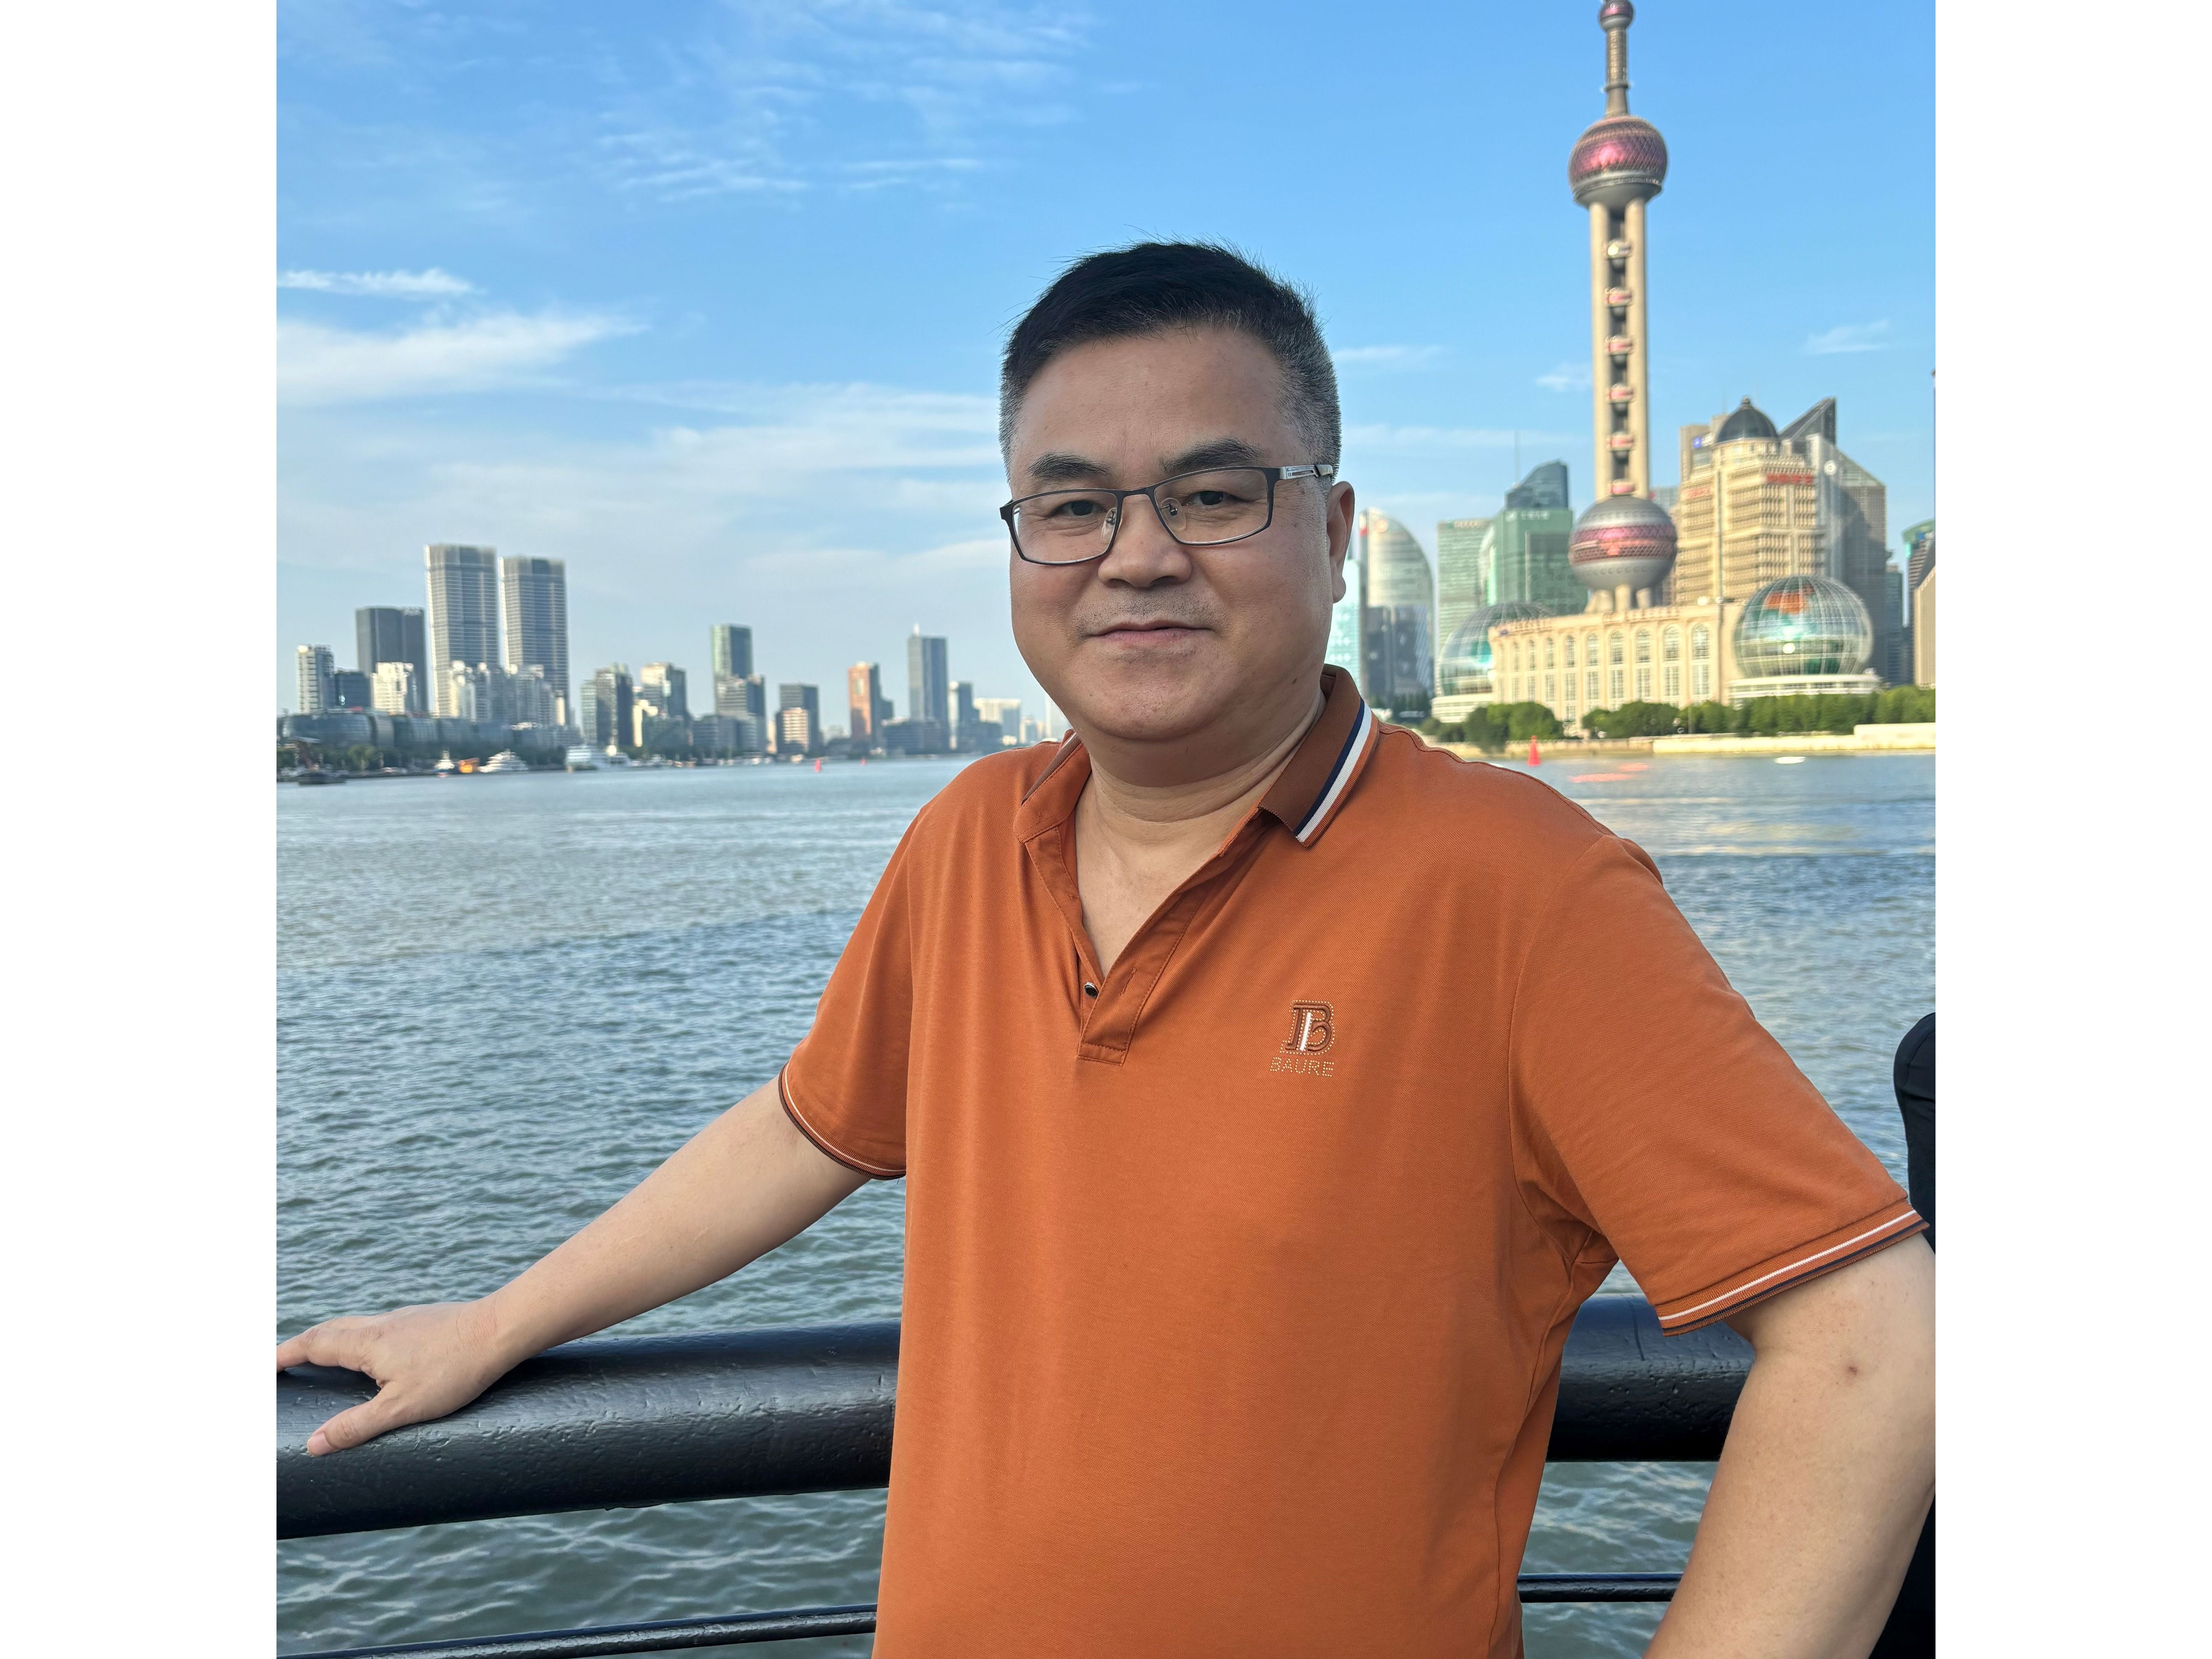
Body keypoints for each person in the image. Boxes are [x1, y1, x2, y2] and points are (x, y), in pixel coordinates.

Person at [278, 242, 1934, 1659]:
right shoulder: (967, 837)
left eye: (1212, 494)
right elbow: (806, 1127)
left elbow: (1874, 1340)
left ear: (1334, 528)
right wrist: (502, 1317)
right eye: (1071, 506)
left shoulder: (1520, 887)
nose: (1137, 554)